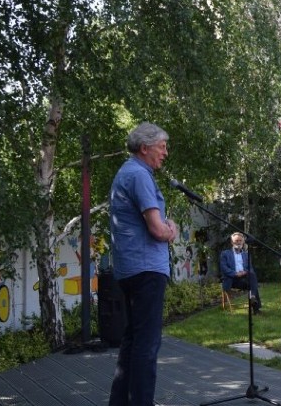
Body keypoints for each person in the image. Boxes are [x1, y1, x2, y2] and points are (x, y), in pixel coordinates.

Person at [108, 122, 179, 406]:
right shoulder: (139, 175)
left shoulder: (128, 171)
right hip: (146, 269)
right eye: (162, 147)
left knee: (133, 341)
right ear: (145, 147)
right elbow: (157, 229)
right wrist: (171, 227)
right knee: (147, 346)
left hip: (130, 269)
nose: (165, 153)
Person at [220, 232, 262, 314]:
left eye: (240, 241)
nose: (238, 242)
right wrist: (235, 273)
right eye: (236, 241)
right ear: (232, 242)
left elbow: (250, 268)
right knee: (253, 285)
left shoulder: (246, 255)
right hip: (232, 280)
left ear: (243, 242)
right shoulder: (225, 254)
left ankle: (252, 297)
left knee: (252, 275)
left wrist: (245, 272)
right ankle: (256, 309)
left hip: (244, 278)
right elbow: (224, 268)